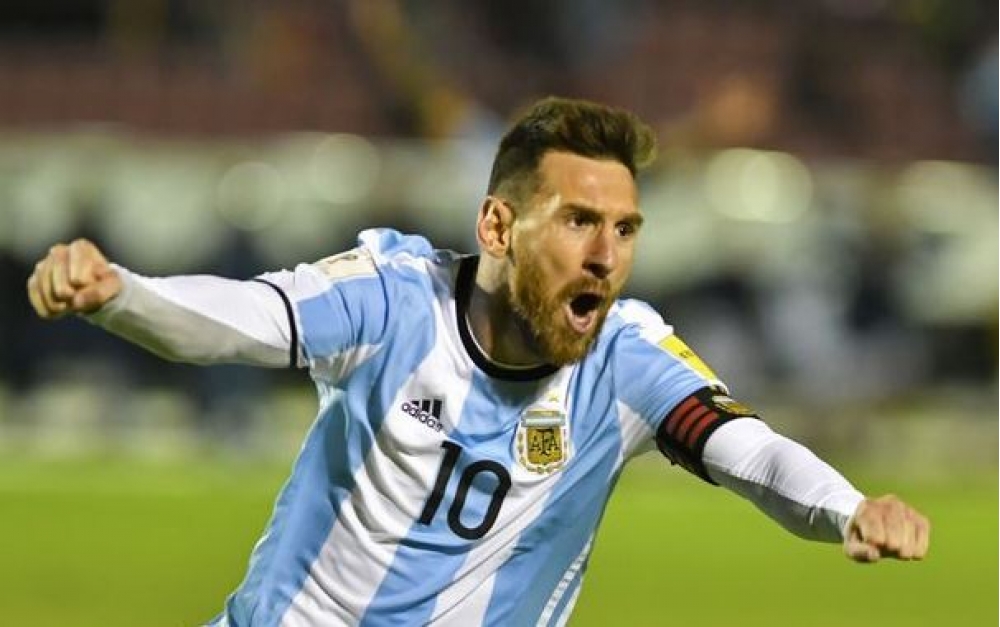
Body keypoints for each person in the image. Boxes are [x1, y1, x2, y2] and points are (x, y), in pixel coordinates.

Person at [27, 97, 930, 626]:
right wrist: (119, 293)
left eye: (624, 229)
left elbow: (745, 446)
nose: (604, 256)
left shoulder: (624, 357)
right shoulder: (395, 298)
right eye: (578, 221)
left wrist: (850, 506)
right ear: (498, 225)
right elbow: (246, 318)